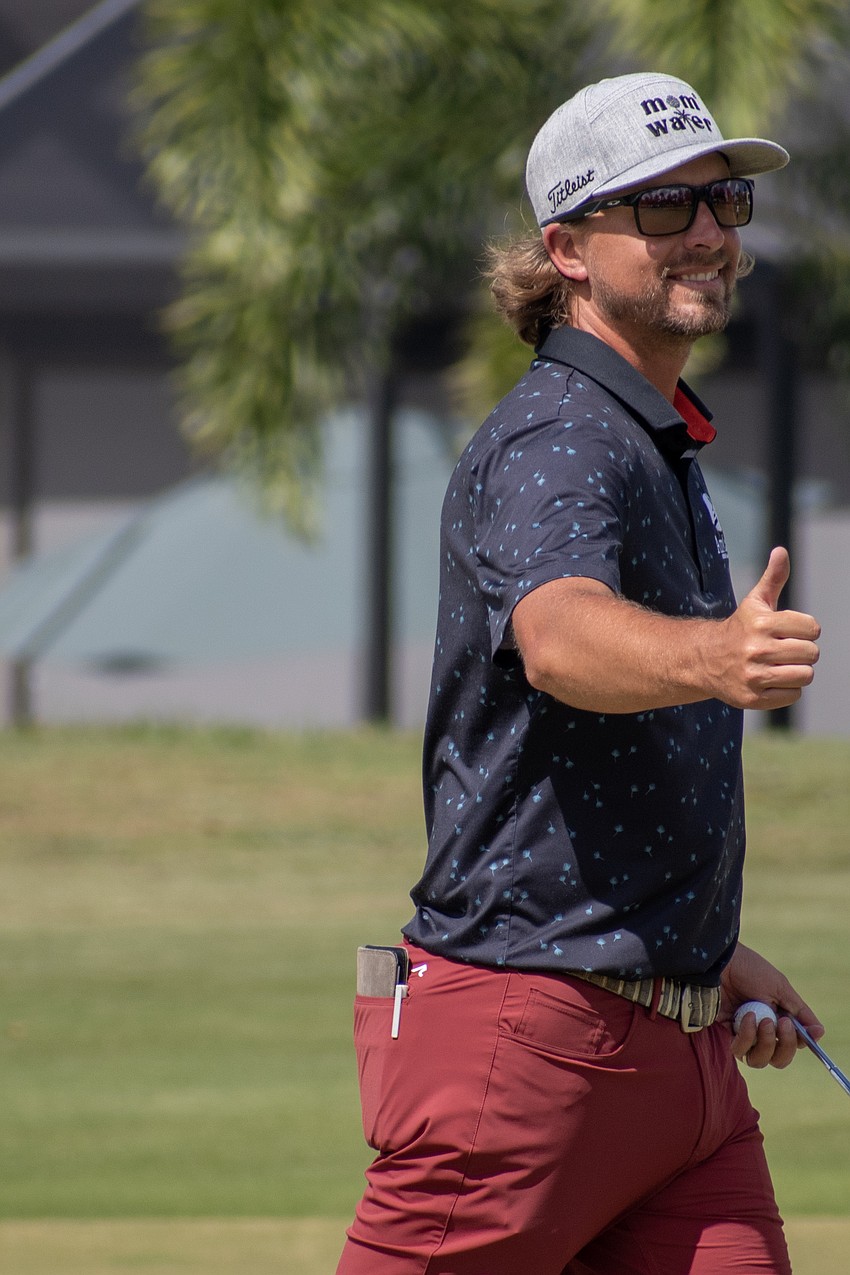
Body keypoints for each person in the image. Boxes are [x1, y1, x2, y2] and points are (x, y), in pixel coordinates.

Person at [336, 72, 824, 1275]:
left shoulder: (649, 434)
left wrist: (703, 952)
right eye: (660, 207)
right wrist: (715, 656)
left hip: (681, 1066)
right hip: (528, 1050)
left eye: (720, 202)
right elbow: (558, 637)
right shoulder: (560, 432)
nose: (705, 232)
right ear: (566, 249)